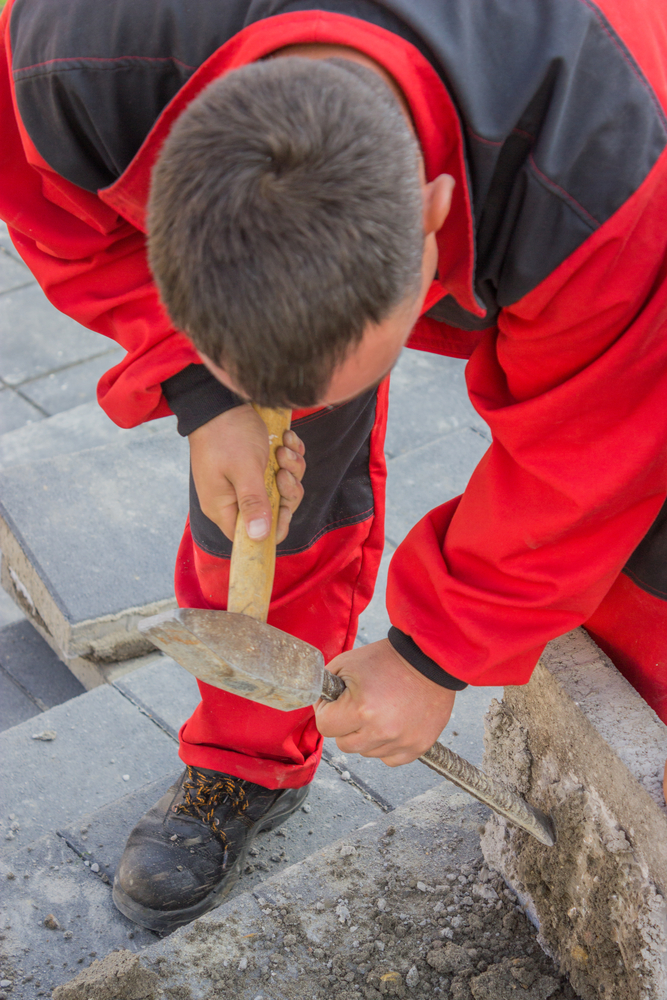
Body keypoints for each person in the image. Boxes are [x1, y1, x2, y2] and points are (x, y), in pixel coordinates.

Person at [1, 0, 665, 933]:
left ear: (434, 216)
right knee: (258, 495)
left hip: (562, 191)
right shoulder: (73, 59)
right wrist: (202, 393)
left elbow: (593, 457)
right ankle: (242, 756)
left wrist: (437, 653)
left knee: (644, 524)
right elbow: (54, 213)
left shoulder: (612, 170)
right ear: (159, 198)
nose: (293, 413)